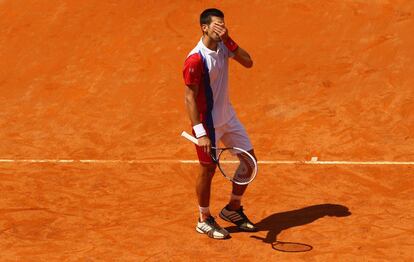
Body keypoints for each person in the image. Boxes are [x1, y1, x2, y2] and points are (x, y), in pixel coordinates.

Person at [182, 8, 257, 239]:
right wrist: (200, 132)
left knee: (250, 162)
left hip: (228, 117)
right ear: (204, 27)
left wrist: (228, 39)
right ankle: (203, 218)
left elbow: (248, 62)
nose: (220, 28)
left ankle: (233, 208)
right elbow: (189, 97)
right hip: (208, 124)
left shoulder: (224, 47)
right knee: (208, 170)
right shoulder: (195, 59)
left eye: (222, 25)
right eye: (216, 25)